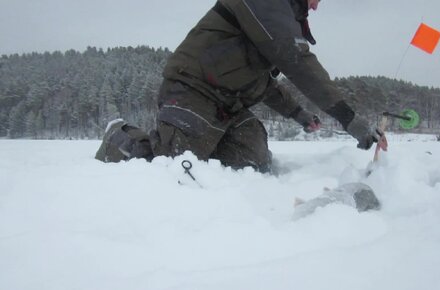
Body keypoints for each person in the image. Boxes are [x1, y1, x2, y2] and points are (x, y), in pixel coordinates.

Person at [95, 0, 382, 173]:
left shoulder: (276, 23)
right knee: (173, 166)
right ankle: (119, 137)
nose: (317, 6)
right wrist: (350, 119)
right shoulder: (267, 5)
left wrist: (300, 116)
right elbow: (297, 61)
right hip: (191, 91)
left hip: (227, 106)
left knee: (253, 160)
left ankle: (202, 149)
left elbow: (262, 84)